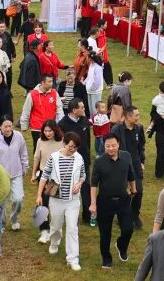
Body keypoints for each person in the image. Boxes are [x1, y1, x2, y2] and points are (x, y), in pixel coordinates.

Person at [36, 131, 86, 271]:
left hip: (73, 201)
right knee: (56, 225)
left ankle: (73, 259)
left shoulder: (79, 158)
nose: (73, 150)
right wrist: (39, 195)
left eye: (75, 147)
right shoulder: (54, 157)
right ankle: (54, 242)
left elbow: (83, 175)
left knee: (72, 228)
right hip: (56, 199)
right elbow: (44, 176)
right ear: (64, 143)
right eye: (70, 147)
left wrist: (79, 184)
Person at [90, 132, 137, 269]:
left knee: (128, 228)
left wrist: (133, 189)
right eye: (108, 146)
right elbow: (94, 184)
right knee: (105, 233)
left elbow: (131, 175)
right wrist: (93, 204)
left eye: (113, 145)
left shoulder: (126, 156)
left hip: (123, 200)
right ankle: (106, 258)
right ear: (104, 146)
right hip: (104, 202)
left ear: (118, 144)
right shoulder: (99, 161)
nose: (111, 148)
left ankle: (121, 245)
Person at [0, 117, 29, 231]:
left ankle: (14, 220)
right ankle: (1, 223)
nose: (8, 129)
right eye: (5, 126)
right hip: (1, 176)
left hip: (16, 173)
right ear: (0, 126)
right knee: (2, 201)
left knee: (18, 199)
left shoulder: (19, 136)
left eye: (10, 126)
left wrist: (25, 166)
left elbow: (23, 152)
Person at [110, 105, 147, 229]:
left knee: (138, 191)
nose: (138, 117)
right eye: (136, 115)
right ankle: (122, 216)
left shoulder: (139, 128)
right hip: (121, 165)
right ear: (127, 116)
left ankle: (135, 215)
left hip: (135, 165)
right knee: (122, 193)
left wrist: (142, 162)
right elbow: (111, 147)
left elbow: (141, 146)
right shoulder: (116, 129)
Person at [59, 98, 94, 223]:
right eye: (82, 107)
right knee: (68, 187)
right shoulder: (62, 124)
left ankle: (87, 215)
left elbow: (88, 140)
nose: (84, 109)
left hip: (84, 160)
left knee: (86, 186)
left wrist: (88, 155)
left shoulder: (84, 120)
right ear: (74, 110)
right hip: (69, 162)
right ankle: (65, 214)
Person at [30, 119, 63, 244]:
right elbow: (36, 157)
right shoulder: (40, 141)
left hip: (57, 177)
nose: (48, 133)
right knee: (42, 202)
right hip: (44, 175)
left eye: (50, 131)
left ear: (55, 130)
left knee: (55, 204)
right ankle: (44, 231)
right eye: (45, 131)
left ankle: (55, 229)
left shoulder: (62, 141)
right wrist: (33, 173)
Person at [20, 74, 62, 148]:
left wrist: (61, 122)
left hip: (51, 127)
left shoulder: (54, 93)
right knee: (38, 148)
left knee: (51, 148)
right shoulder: (32, 94)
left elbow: (59, 109)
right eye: (49, 81)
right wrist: (24, 126)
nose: (51, 84)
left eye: (52, 81)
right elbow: (26, 111)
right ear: (43, 82)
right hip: (37, 128)